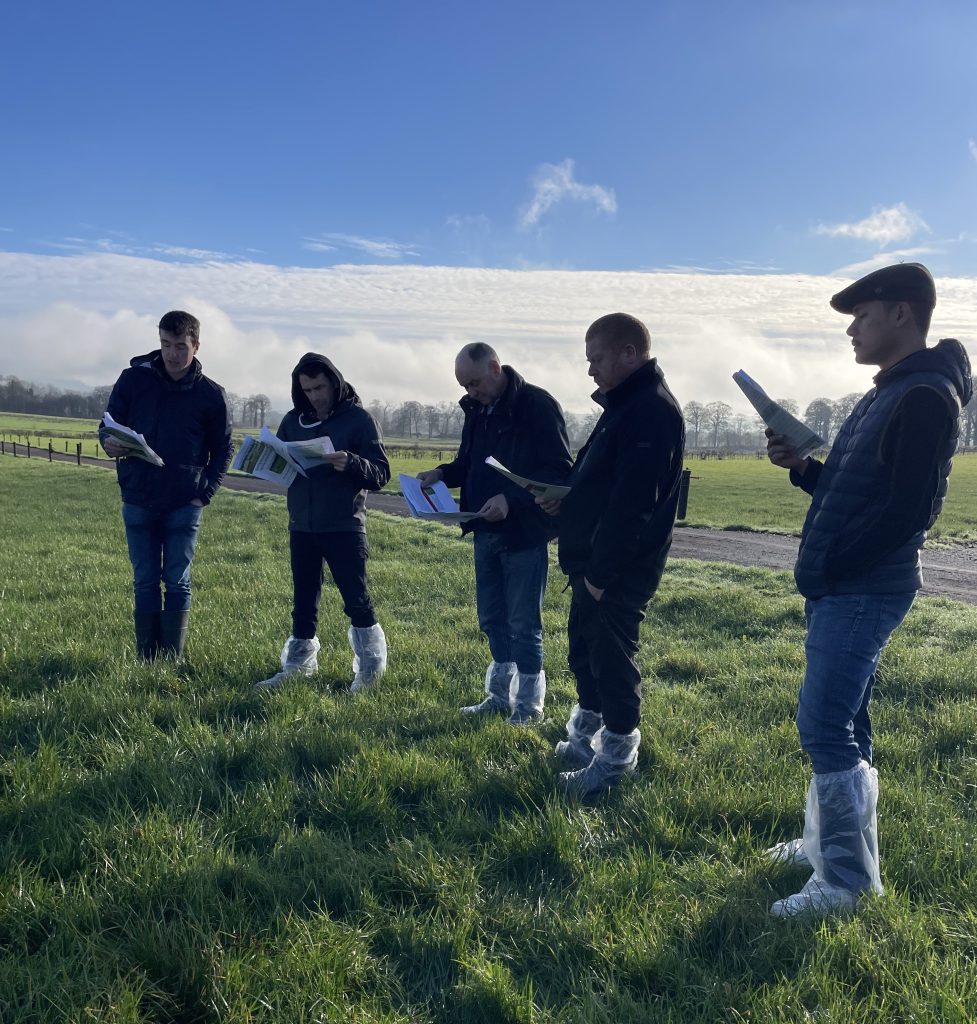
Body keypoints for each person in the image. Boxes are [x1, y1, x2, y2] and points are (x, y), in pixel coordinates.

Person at [765, 263, 972, 918]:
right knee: (847, 720)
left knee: (823, 723)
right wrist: (804, 467)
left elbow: (909, 511)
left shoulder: (923, 396)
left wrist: (835, 566)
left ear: (901, 314)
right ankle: (829, 844)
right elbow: (853, 490)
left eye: (861, 316)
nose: (851, 330)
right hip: (846, 583)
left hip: (862, 586)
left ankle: (845, 884)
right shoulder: (890, 390)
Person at [539, 313, 684, 798]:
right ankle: (585, 742)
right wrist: (566, 499)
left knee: (613, 663)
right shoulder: (623, 405)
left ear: (629, 352)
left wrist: (600, 576)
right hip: (591, 562)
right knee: (586, 655)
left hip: (616, 570)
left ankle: (615, 765)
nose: (591, 370)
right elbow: (600, 480)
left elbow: (633, 505)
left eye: (597, 358)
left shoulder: (652, 412)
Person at [417, 343, 572, 724]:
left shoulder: (537, 405)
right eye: (464, 387)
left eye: (474, 383)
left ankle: (529, 706)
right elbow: (469, 462)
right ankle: (500, 696)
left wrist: (511, 500)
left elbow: (558, 472)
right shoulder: (476, 410)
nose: (471, 392)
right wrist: (441, 474)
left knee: (523, 623)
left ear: (494, 367)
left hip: (523, 534)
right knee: (491, 619)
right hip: (483, 529)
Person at [100, 310, 233, 660]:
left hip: (184, 502)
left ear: (196, 346)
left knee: (177, 581)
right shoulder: (133, 380)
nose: (172, 354)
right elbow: (108, 424)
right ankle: (147, 659)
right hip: (138, 496)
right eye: (165, 344)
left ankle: (171, 659)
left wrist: (204, 494)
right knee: (144, 580)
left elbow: (223, 449)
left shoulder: (211, 395)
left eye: (180, 347)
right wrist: (108, 442)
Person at [256, 353, 390, 692]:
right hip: (301, 523)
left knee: (356, 599)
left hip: (344, 524)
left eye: (319, 388)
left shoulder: (359, 420)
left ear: (334, 382)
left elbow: (381, 474)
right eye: (307, 389)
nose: (314, 396)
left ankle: (370, 673)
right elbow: (284, 461)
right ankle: (297, 666)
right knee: (303, 601)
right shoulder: (292, 421)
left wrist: (352, 463)